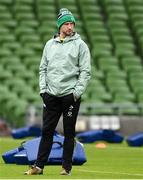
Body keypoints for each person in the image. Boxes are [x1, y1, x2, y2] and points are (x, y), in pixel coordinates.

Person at [24, 8, 91, 176]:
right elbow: (43, 69)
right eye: (67, 23)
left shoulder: (80, 45)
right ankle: (38, 166)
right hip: (51, 95)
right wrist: (43, 91)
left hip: (70, 96)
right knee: (46, 131)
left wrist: (75, 93)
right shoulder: (49, 45)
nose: (70, 27)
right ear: (60, 26)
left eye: (72, 23)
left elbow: (85, 72)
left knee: (69, 132)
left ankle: (66, 168)